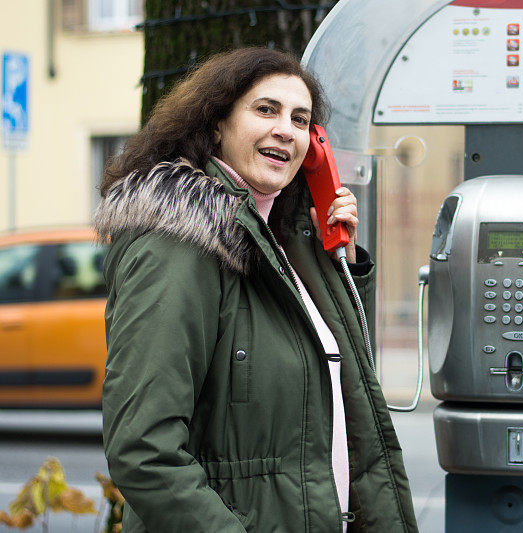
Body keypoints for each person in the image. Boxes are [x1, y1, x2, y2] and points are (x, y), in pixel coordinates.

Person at [94, 47, 418, 533]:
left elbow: (334, 380)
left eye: (302, 120)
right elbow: (144, 451)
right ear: (216, 124)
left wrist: (342, 262)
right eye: (266, 109)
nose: (286, 129)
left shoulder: (286, 244)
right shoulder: (176, 248)